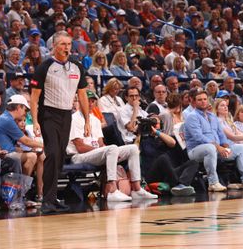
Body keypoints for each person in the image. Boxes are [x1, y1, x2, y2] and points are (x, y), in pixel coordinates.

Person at [30, 31, 90, 214]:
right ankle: (47, 200)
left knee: (59, 157)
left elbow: (82, 95)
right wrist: (35, 121)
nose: (66, 48)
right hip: (48, 114)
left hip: (67, 115)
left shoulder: (77, 67)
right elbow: (34, 98)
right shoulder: (44, 67)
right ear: (54, 46)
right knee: (53, 153)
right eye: (62, 44)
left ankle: (52, 197)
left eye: (69, 44)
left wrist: (87, 120)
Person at [67, 93, 157, 202]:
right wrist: (105, 151)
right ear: (81, 102)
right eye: (87, 101)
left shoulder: (95, 120)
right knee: (112, 148)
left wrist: (107, 152)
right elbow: (80, 147)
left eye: (92, 101)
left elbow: (100, 143)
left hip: (95, 154)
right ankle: (112, 190)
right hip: (79, 156)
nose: (90, 104)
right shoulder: (74, 118)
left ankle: (137, 189)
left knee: (132, 148)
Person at [183, 90, 243, 192]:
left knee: (241, 148)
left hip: (216, 149)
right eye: (199, 100)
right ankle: (213, 183)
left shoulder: (212, 117)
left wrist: (225, 146)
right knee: (210, 148)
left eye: (205, 99)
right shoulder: (192, 117)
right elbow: (199, 137)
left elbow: (220, 134)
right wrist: (218, 147)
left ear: (208, 101)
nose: (203, 102)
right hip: (196, 150)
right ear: (194, 102)